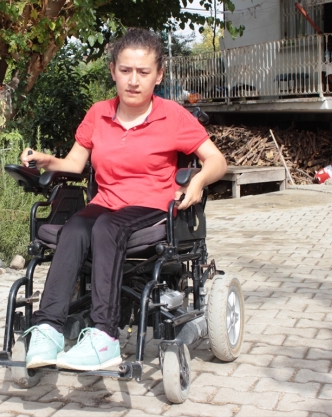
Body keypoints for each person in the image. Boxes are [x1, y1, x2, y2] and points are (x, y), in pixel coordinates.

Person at [19, 28, 227, 372]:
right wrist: (46, 160)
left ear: (158, 75)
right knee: (74, 229)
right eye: (125, 70)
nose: (133, 81)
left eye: (143, 72)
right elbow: (74, 164)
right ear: (113, 70)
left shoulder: (173, 115)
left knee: (107, 226)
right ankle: (48, 330)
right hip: (106, 203)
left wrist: (200, 179)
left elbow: (217, 160)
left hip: (153, 207)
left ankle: (104, 336)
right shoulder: (98, 113)